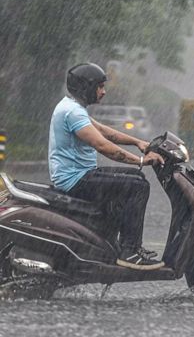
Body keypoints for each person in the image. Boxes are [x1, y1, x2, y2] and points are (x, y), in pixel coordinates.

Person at [48, 62, 165, 270]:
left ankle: (118, 245)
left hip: (81, 175)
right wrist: (140, 161)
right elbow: (102, 145)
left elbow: (104, 131)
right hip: (75, 180)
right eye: (99, 87)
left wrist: (138, 142)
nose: (104, 91)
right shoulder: (72, 112)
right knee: (137, 187)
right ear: (85, 87)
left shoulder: (72, 107)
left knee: (137, 178)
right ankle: (129, 251)